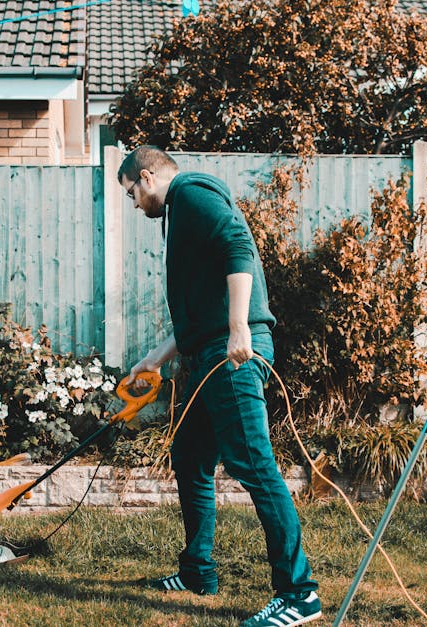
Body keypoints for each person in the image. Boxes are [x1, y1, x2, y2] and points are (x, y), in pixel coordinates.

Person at [119, 146, 321, 627]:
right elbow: (196, 316)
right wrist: (153, 360)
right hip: (211, 353)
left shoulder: (192, 193)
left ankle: (299, 595)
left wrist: (238, 327)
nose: (133, 204)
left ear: (147, 178)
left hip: (232, 357)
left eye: (130, 193)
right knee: (189, 456)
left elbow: (237, 246)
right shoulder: (180, 213)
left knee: (253, 465)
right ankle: (197, 572)